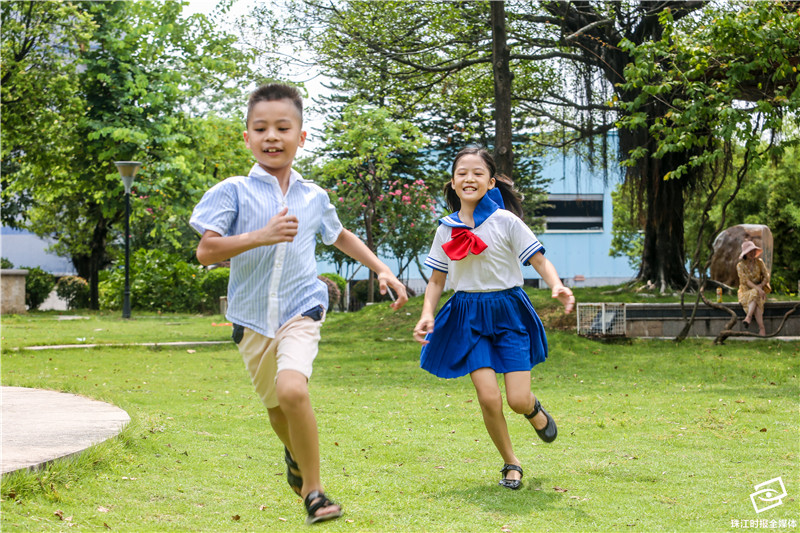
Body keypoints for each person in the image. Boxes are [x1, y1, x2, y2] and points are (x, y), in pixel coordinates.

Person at [190, 83, 408, 525]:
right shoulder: (232, 191)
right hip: (251, 319)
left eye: (282, 127)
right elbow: (206, 251)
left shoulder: (313, 196)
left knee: (293, 390)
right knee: (276, 409)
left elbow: (339, 235)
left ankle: (314, 491)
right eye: (261, 128)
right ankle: (294, 453)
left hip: (301, 308)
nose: (272, 136)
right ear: (246, 137)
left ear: (301, 136)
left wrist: (382, 268)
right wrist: (260, 236)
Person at [412, 146, 574, 490]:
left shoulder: (507, 221)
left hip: (508, 311)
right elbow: (437, 280)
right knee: (488, 397)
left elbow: (540, 261)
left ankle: (533, 410)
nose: (469, 178)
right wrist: (427, 314)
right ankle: (511, 462)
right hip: (467, 315)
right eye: (462, 173)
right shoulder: (446, 229)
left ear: (490, 182)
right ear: (453, 183)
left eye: (477, 173)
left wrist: (557, 285)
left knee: (516, 399)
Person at [737, 240, 770, 336]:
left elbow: (766, 276)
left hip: (759, 290)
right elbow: (745, 281)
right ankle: (762, 329)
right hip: (745, 291)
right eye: (749, 251)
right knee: (756, 295)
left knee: (757, 297)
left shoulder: (759, 262)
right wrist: (758, 289)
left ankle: (748, 318)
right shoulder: (740, 266)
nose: (752, 253)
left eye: (753, 251)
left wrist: (760, 286)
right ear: (745, 254)